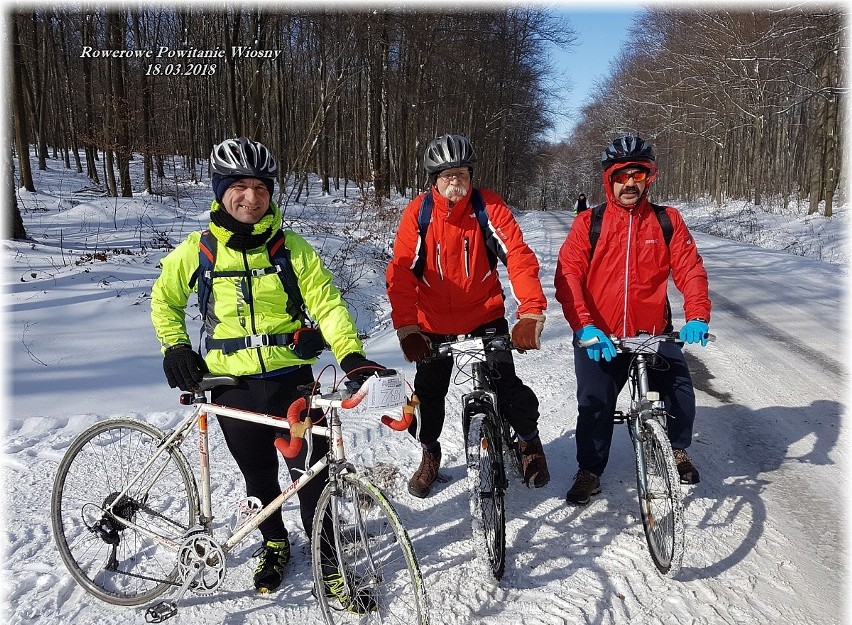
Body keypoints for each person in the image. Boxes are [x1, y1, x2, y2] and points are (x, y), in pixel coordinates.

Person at [150, 137, 383, 597]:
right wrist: (175, 347)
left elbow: (329, 304)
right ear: (220, 191)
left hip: (292, 382)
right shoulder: (198, 250)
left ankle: (329, 557)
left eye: (260, 187)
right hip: (231, 385)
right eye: (239, 186)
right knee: (257, 477)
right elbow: (164, 300)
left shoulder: (291, 249)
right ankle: (274, 542)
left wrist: (350, 354)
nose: (251, 197)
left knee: (312, 476)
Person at [386, 133, 551, 498]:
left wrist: (531, 312)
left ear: (471, 175)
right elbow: (400, 273)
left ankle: (528, 442)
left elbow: (519, 257)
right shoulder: (419, 214)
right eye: (446, 175)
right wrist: (408, 328)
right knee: (429, 395)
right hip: (433, 324)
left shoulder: (487, 207)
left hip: (484, 315)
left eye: (461, 173)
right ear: (434, 181)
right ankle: (430, 452)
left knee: (506, 385)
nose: (455, 182)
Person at [553, 135, 711, 506]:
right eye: (621, 175)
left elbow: (690, 270)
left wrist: (698, 314)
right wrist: (584, 327)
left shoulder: (666, 220)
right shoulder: (588, 223)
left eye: (637, 174)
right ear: (609, 179)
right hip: (601, 339)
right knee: (595, 405)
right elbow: (568, 277)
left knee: (681, 395)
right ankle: (590, 471)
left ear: (648, 178)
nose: (629, 182)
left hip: (651, 334)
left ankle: (676, 450)